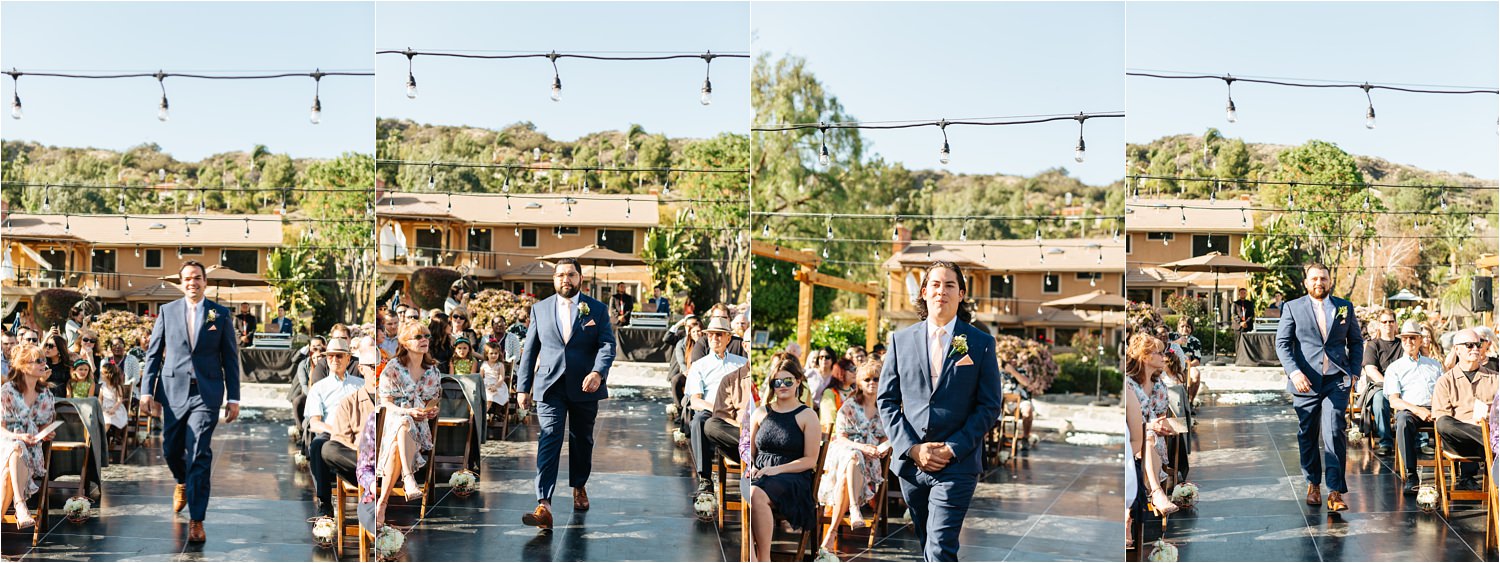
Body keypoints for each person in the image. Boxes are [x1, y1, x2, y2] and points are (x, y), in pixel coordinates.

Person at [877, 262, 1003, 562]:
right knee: (927, 543)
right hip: (911, 465)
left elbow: (989, 405)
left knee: (940, 548)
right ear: (924, 292)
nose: (941, 291)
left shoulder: (980, 343)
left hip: (957, 465)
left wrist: (952, 447)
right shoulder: (900, 340)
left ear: (961, 294)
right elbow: (887, 400)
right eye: (935, 284)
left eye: (949, 285)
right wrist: (911, 448)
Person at [140, 261, 243, 543]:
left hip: (206, 393)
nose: (192, 283)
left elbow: (231, 359)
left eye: (197, 278)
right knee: (171, 449)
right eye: (187, 278)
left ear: (205, 281)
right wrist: (146, 391)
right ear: (181, 282)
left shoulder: (218, 314)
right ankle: (182, 481)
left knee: (199, 452)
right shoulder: (167, 311)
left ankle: (197, 520)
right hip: (172, 392)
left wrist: (234, 397)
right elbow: (153, 354)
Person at [516, 258, 617, 529]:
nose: (565, 280)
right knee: (549, 438)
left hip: (586, 384)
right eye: (560, 275)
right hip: (550, 385)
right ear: (554, 279)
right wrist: (523, 387)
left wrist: (598, 372)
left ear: (580, 278)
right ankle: (543, 503)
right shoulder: (540, 309)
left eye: (570, 274)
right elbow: (530, 350)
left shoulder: (596, 308)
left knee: (582, 439)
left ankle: (579, 486)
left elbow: (607, 344)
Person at [1274, 262, 1361, 512]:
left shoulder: (1344, 307)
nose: (1318, 283)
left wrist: (1354, 372)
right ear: (1306, 282)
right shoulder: (1292, 307)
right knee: (1308, 434)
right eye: (1314, 279)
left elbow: (1355, 341)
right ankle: (1313, 483)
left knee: (1334, 431)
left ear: (1329, 281)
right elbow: (1282, 344)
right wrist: (1295, 372)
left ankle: (1335, 491)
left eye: (1323, 278)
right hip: (1305, 382)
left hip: (1336, 380)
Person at [816, 359, 891, 559]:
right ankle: (854, 509)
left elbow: (886, 436)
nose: (872, 383)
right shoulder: (850, 405)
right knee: (853, 456)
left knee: (848, 471)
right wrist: (862, 447)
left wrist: (883, 447)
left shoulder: (884, 408)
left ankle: (831, 533)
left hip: (868, 460)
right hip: (844, 451)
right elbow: (840, 437)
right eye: (867, 379)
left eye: (876, 379)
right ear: (859, 382)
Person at [747, 364, 821, 563]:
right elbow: (749, 451)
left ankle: (763, 559)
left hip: (793, 475)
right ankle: (751, 557)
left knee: (754, 494)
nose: (782, 385)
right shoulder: (761, 412)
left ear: (798, 381)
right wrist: (752, 466)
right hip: (760, 473)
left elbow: (810, 460)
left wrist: (775, 470)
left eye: (788, 380)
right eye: (777, 381)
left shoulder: (808, 415)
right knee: (747, 492)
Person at [377, 321, 443, 513]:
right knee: (403, 423)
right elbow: (386, 403)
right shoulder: (393, 368)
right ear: (405, 343)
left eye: (427, 336)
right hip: (392, 421)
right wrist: (407, 412)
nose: (424, 340)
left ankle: (382, 504)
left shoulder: (433, 370)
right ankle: (408, 477)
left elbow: (433, 402)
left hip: (421, 426)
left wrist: (432, 411)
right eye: (418, 337)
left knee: (401, 438)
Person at [1123, 333, 1179, 550]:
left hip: (1152, 442)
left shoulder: (1159, 385)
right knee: (1146, 436)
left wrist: (1159, 425)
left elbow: (1159, 414)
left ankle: (1129, 519)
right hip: (1132, 440)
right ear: (1145, 356)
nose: (1164, 356)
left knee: (1150, 437)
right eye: (1159, 352)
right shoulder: (1128, 384)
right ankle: (1156, 493)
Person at [684, 317, 748, 495]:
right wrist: (718, 409)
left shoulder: (741, 363)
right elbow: (695, 400)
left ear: (728, 338)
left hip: (738, 415)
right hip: (711, 412)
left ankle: (748, 456)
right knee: (698, 421)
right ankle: (705, 479)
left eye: (719, 335)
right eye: (710, 334)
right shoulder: (699, 365)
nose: (714, 338)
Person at [0, 340, 58, 530]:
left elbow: (45, 427)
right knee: (16, 445)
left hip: (32, 451)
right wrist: (17, 437)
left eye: (44, 359)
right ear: (24, 366)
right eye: (38, 360)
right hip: (5, 444)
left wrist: (46, 434)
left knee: (15, 456)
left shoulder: (45, 393)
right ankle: (20, 505)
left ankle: (19, 505)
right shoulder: (7, 391)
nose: (44, 363)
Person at [1430, 328, 1497, 491]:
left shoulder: (1495, 378)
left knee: (1492, 438)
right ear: (1457, 349)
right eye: (1469, 345)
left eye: (1478, 344)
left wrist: (1491, 416)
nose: (1475, 349)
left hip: (1489, 440)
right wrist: (1473, 424)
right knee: (1444, 423)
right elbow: (1441, 419)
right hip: (1459, 441)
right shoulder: (1445, 381)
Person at [304, 338, 362, 517]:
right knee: (317, 445)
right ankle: (325, 502)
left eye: (339, 356)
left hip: (356, 433)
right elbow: (314, 423)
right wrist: (336, 432)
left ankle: (365, 479)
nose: (334, 360)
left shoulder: (359, 385)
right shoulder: (319, 387)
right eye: (330, 356)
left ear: (348, 358)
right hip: (330, 432)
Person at [1385, 320, 1443, 492]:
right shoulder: (1394, 368)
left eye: (1412, 338)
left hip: (1435, 409)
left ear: (1419, 340)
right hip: (1411, 410)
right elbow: (1394, 400)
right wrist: (1418, 410)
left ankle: (1466, 475)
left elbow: (1445, 391)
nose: (1408, 342)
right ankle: (1411, 475)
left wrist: (1438, 409)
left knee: (1458, 418)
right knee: (1402, 421)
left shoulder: (1434, 365)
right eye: (1405, 338)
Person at [330, 338, 380, 525]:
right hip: (360, 459)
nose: (377, 371)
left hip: (388, 460)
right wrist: (363, 450)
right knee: (328, 448)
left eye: (379, 366)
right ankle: (370, 483)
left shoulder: (392, 399)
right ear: (361, 369)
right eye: (372, 366)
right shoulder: (349, 402)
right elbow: (340, 439)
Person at [1359, 309, 1402, 456]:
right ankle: (1385, 442)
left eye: (1391, 321)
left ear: (1396, 324)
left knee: (1417, 395)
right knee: (1379, 400)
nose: (1388, 325)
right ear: (1379, 325)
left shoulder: (1403, 344)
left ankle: (1421, 442)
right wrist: (1390, 387)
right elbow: (1371, 370)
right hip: (1380, 386)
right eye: (1384, 322)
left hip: (1403, 386)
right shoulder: (1373, 345)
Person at [480, 341, 509, 426]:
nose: (493, 355)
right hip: (486, 384)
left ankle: (486, 413)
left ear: (499, 354)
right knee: (488, 394)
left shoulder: (500, 365)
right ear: (486, 354)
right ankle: (486, 413)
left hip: (498, 385)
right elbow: (480, 377)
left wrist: (496, 386)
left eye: (496, 353)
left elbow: (501, 378)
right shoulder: (484, 364)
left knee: (492, 395)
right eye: (491, 353)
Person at [99, 362, 128, 444]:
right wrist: (99, 407)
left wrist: (113, 409)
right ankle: (101, 437)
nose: (101, 375)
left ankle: (102, 437)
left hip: (116, 409)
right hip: (105, 409)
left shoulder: (117, 387)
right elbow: (100, 399)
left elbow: (119, 400)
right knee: (103, 417)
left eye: (102, 373)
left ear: (109, 374)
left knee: (109, 419)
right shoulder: (103, 386)